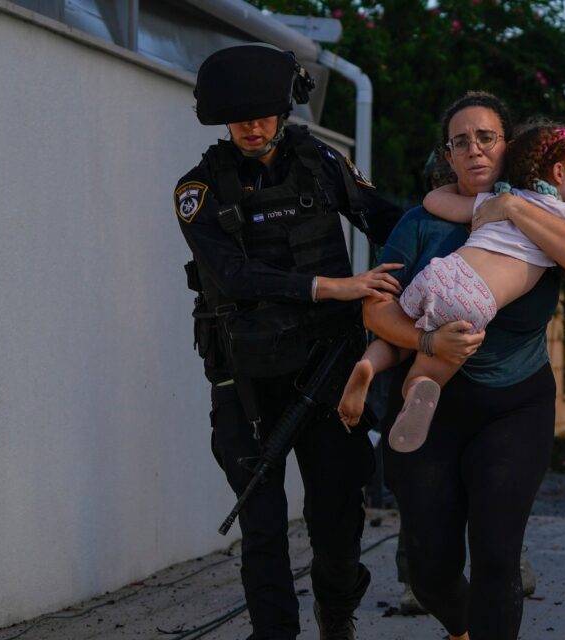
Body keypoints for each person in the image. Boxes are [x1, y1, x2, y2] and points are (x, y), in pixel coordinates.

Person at [174, 44, 402, 640]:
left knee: (336, 519)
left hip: (326, 370)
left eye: (264, 114)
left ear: (284, 109)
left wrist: (458, 236)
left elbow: (384, 219)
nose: (253, 127)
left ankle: (336, 610)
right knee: (264, 522)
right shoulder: (198, 189)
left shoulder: (320, 163)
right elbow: (234, 276)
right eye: (241, 117)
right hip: (247, 381)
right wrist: (332, 285)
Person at [366, 92, 565, 640]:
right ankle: (462, 629)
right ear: (447, 155)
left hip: (514, 407)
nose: (473, 150)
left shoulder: (544, 213)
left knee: (498, 556)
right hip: (430, 407)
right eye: (460, 142)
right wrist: (428, 343)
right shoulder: (421, 221)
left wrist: (513, 206)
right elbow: (376, 308)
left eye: (486, 138)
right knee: (430, 573)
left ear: (510, 146)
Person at [337, 122, 565, 451]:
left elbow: (434, 201)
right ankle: (419, 388)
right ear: (559, 173)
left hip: (442, 272)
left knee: (399, 333)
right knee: (430, 369)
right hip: (475, 300)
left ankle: (368, 365)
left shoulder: (500, 199)